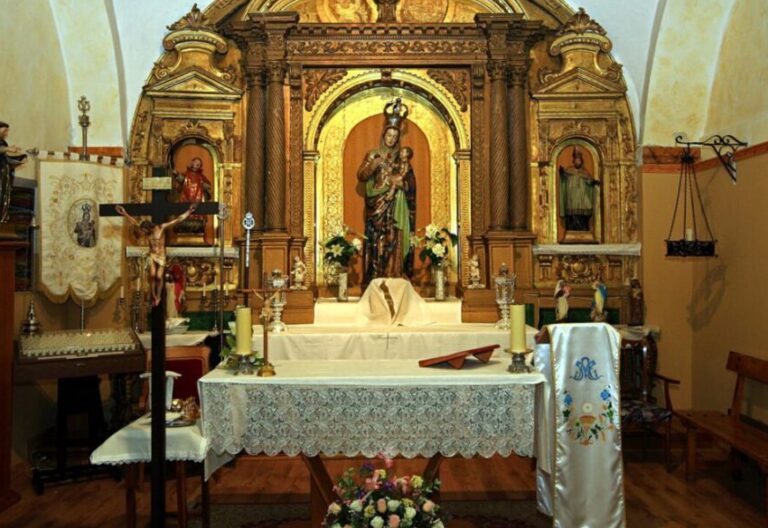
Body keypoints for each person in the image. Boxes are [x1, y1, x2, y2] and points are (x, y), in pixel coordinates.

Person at [356, 98, 416, 286]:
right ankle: (376, 274)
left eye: (395, 136)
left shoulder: (401, 158)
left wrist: (401, 183)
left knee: (394, 237)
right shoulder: (373, 154)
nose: (391, 139)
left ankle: (394, 272)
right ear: (384, 135)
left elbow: (409, 182)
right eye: (389, 135)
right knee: (377, 239)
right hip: (377, 204)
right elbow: (361, 175)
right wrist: (374, 164)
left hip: (396, 203)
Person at [115, 202, 197, 306]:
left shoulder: (161, 228)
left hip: (161, 255)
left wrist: (189, 211)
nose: (143, 233)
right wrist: (124, 213)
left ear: (149, 227)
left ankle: (158, 295)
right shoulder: (145, 230)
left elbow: (177, 220)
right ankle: (154, 295)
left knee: (158, 276)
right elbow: (134, 222)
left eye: (144, 231)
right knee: (152, 275)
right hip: (152, 255)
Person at [559, 147, 600, 231]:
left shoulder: (585, 172)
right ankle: (572, 229)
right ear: (574, 161)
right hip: (572, 199)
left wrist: (594, 182)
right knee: (572, 217)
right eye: (576, 160)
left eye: (579, 160)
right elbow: (564, 176)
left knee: (585, 212)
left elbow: (589, 181)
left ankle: (583, 229)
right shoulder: (569, 170)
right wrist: (562, 172)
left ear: (581, 161)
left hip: (582, 199)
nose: (578, 162)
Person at [0, 121, 28, 223]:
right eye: (4, 130)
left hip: (4, 173)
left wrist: (19, 159)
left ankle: (2, 217)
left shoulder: (3, 142)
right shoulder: (3, 145)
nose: (6, 133)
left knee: (4, 196)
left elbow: (5, 158)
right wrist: (8, 149)